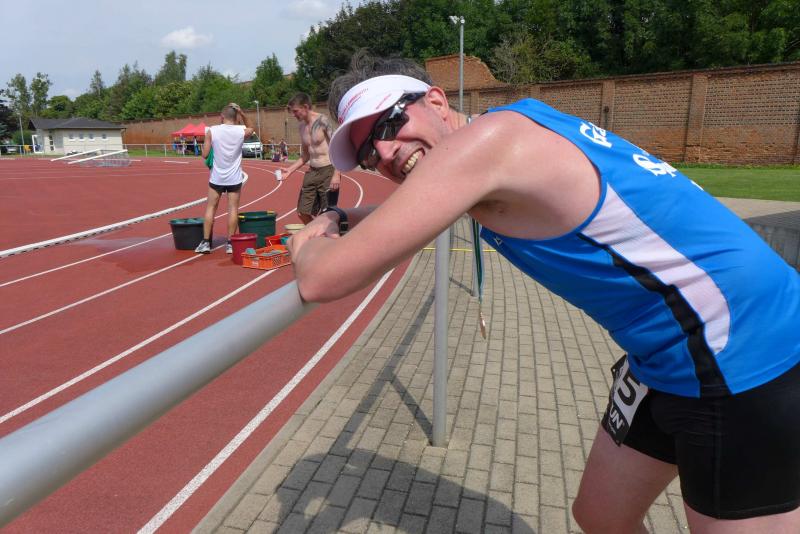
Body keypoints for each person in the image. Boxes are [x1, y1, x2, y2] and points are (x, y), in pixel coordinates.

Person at [287, 53, 800, 532]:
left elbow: (321, 280)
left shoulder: (484, 146)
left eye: (389, 124)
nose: (384, 152)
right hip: (670, 350)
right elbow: (414, 212)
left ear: (437, 101)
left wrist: (308, 243)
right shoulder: (505, 129)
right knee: (600, 515)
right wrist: (341, 215)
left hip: (740, 345)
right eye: (368, 153)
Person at [195, 103, 255, 254]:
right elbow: (251, 127)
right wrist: (242, 112)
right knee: (233, 209)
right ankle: (230, 243)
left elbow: (205, 155)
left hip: (217, 178)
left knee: (211, 207)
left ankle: (206, 243)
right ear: (236, 117)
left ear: (222, 116)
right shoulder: (241, 131)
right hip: (234, 178)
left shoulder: (212, 130)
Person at [282, 93, 341, 224]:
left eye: (295, 111)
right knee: (302, 212)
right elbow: (305, 155)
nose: (294, 115)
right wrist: (290, 170)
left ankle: (329, 235)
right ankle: (317, 232)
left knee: (328, 213)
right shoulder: (301, 127)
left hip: (328, 170)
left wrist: (336, 175)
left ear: (305, 107)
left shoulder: (323, 121)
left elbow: (338, 147)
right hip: (312, 171)